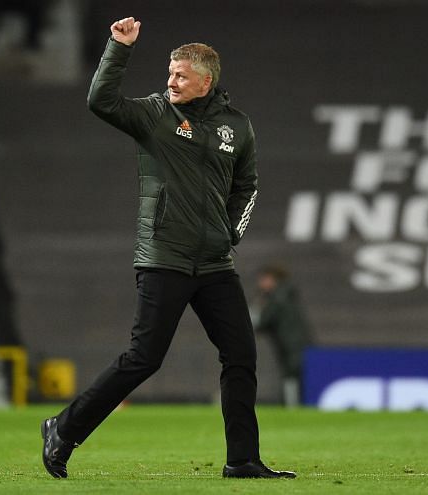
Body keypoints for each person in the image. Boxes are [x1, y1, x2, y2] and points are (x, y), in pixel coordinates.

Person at [41, 17, 295, 480]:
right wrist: (119, 48)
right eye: (170, 73)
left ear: (206, 81)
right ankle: (64, 427)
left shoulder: (237, 127)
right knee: (144, 359)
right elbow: (100, 100)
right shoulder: (155, 114)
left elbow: (248, 186)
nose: (171, 81)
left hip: (216, 262)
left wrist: (230, 232)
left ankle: (242, 460)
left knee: (241, 355)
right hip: (165, 257)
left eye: (180, 75)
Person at [252, 264, 313, 408]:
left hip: (292, 345)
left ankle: (292, 406)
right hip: (298, 344)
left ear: (273, 280)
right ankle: (294, 405)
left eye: (263, 279)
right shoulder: (285, 294)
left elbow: (262, 322)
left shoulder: (277, 298)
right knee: (294, 375)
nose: (260, 283)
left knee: (291, 375)